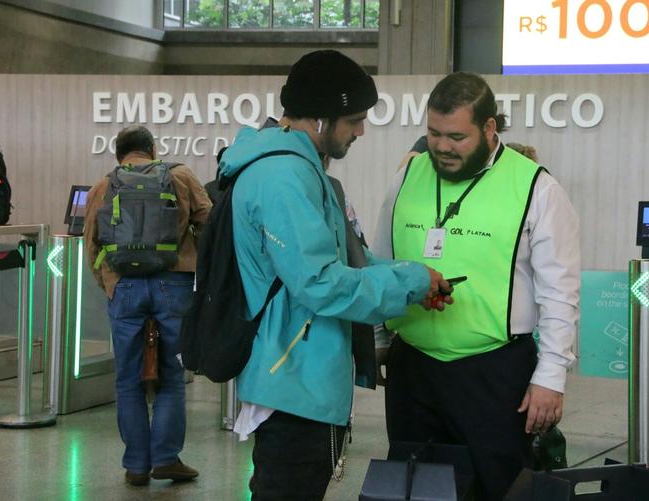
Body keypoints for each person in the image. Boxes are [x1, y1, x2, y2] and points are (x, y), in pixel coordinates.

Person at [219, 49, 451, 501]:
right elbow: (323, 283)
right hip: (292, 382)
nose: (362, 130)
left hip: (304, 379)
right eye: (354, 119)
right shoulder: (282, 177)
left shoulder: (303, 171)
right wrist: (411, 283)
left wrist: (417, 276)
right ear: (322, 119)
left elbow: (350, 259)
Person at [373, 72, 580, 500]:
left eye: (456, 136)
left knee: (499, 488)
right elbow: (382, 260)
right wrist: (378, 339)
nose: (442, 147)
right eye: (433, 133)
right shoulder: (407, 176)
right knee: (415, 488)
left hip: (494, 374)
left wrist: (551, 377)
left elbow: (559, 292)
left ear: (489, 128)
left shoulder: (537, 188)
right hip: (413, 370)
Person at [83, 126, 211, 486]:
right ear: (153, 149)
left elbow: (91, 243)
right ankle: (167, 459)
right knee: (172, 376)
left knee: (127, 381)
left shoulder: (103, 186)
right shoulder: (180, 176)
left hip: (124, 288)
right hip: (175, 283)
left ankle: (137, 465)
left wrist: (109, 284)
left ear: (118, 155)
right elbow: (210, 221)